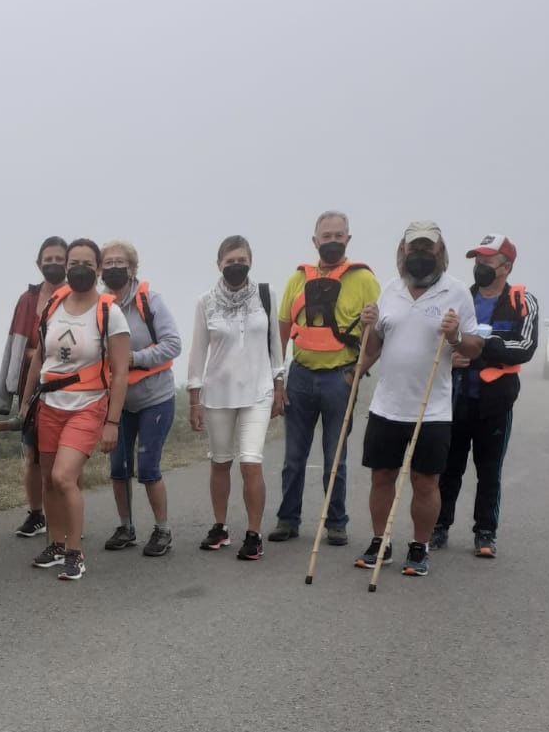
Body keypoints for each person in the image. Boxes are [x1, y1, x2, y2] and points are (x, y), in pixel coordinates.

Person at [353, 220, 482, 579]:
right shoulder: (390, 291)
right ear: (403, 251)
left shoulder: (456, 292)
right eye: (415, 249)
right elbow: (374, 346)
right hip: (386, 405)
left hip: (432, 408)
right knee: (382, 477)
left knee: (425, 482)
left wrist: (455, 335)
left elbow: (474, 346)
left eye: (429, 249)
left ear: (440, 252)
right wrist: (367, 326)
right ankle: (381, 541)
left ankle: (420, 544)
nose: (421, 255)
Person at [19, 238, 130, 581]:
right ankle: (55, 544)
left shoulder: (109, 311)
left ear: (97, 270)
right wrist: (25, 402)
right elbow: (40, 356)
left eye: (86, 263)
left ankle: (74, 551)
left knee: (64, 477)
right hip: (49, 404)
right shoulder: (54, 303)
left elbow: (121, 370)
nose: (78, 269)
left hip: (88, 406)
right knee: (48, 481)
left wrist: (112, 421)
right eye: (73, 263)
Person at [271, 211, 380, 547]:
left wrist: (356, 373)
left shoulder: (364, 281)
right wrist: (278, 383)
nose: (332, 241)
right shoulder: (296, 280)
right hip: (300, 377)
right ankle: (288, 520)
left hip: (340, 378)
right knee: (293, 457)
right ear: (314, 241)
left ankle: (336, 522)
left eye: (338, 236)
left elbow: (378, 339)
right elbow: (281, 335)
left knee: (335, 457)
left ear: (348, 239)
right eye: (326, 236)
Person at [432, 233, 538, 558]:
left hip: (496, 401)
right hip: (456, 396)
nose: (480, 266)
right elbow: (439, 340)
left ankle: (485, 532)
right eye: (477, 260)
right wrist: (454, 354)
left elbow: (525, 348)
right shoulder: (461, 297)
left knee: (489, 470)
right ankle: (439, 527)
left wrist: (477, 350)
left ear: (505, 267)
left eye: (487, 261)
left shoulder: (523, 302)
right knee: (449, 467)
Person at [186, 235, 286, 562]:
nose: (236, 266)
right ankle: (220, 526)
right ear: (219, 264)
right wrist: (194, 398)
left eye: (241, 260)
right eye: (230, 262)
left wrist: (279, 385)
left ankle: (254, 534)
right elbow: (198, 352)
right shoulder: (206, 301)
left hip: (258, 392)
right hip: (218, 393)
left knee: (250, 462)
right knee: (220, 461)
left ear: (250, 261)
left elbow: (275, 345)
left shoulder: (265, 296)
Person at [99, 240, 183, 557]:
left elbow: (173, 344)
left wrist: (132, 358)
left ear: (133, 268)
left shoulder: (150, 301)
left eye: (121, 262)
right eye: (107, 263)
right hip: (116, 399)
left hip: (154, 397)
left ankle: (163, 530)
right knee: (118, 467)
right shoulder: (98, 305)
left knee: (148, 467)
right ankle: (126, 527)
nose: (114, 268)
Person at [0, 236, 69, 537]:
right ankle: (37, 514)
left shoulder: (78, 295)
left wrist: (42, 353)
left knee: (63, 458)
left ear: (68, 262)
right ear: (39, 264)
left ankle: (65, 516)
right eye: (47, 260)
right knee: (32, 456)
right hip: (31, 386)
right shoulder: (28, 300)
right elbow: (15, 346)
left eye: (58, 259)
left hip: (67, 387)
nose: (53, 264)